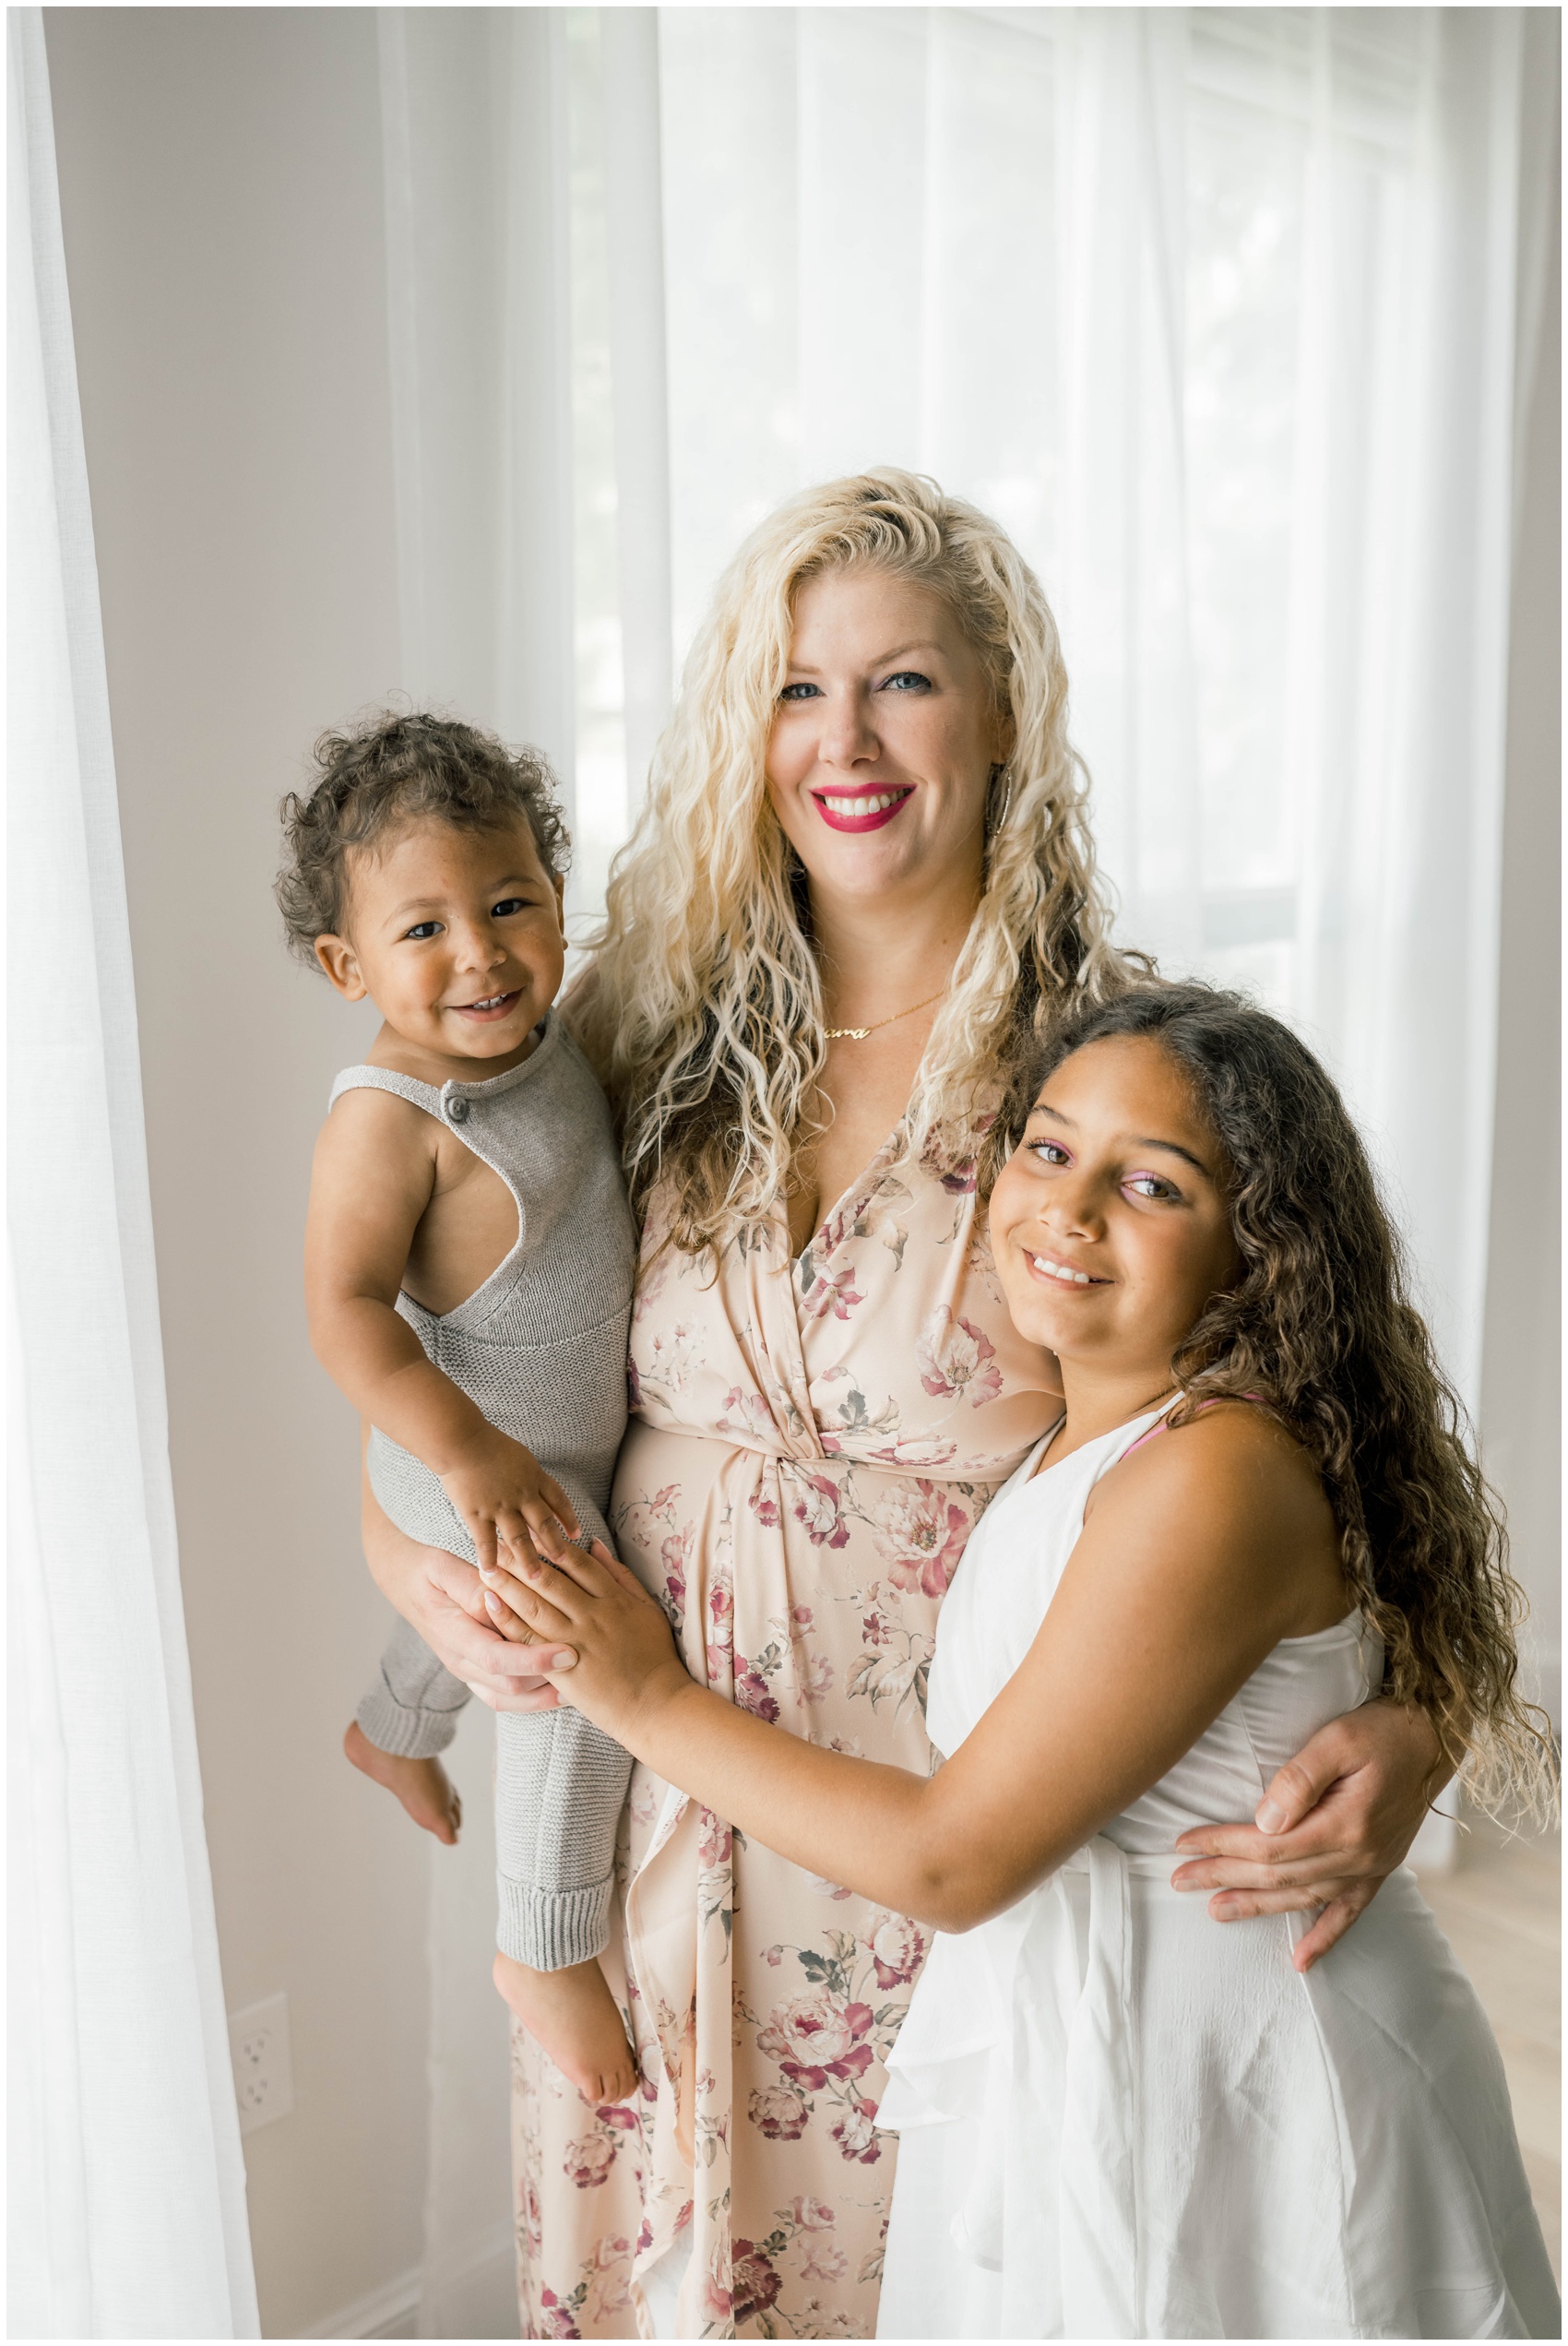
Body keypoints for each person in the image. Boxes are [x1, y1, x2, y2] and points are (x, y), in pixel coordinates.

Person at [360, 473, 1454, 2338]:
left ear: (1005, 710)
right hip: (633, 1822)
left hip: (941, 1859)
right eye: (795, 689)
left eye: (905, 685)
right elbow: (437, 1345)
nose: (843, 743)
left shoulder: (1104, 1061)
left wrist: (1421, 1715)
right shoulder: (627, 1030)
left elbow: (1326, 1428)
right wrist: (400, 1559)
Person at [493, 982, 1560, 2341]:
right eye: (1048, 1150)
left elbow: (957, 1860)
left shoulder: (1214, 1475)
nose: (1069, 1208)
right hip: (1085, 2054)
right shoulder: (1075, 1430)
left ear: (1261, 1244)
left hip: (1259, 2071)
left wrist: (637, 1692)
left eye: (1153, 1184)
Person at [279, 712, 640, 2105]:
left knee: (499, 1618)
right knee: (582, 1662)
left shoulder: (550, 1043)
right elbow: (345, 1314)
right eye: (421, 930)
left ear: (558, 899)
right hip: (462, 1440)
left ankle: (393, 1726)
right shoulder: (391, 1116)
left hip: (539, 1443)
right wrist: (470, 1456)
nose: (479, 953)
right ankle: (541, 1944)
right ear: (345, 965)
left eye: (508, 905)